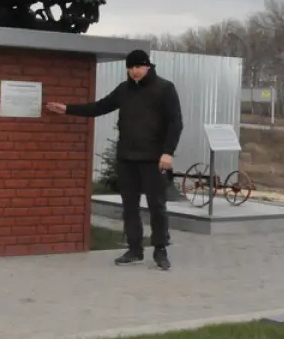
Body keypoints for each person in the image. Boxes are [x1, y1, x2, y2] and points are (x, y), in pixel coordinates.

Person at [46, 49, 183, 270]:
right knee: (129, 207)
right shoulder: (124, 90)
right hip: (127, 158)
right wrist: (67, 109)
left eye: (139, 67)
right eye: (131, 67)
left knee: (156, 206)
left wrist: (167, 152)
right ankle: (135, 249)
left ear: (148, 66)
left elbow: (175, 122)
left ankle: (160, 250)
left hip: (154, 159)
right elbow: (100, 107)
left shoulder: (165, 89)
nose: (135, 71)